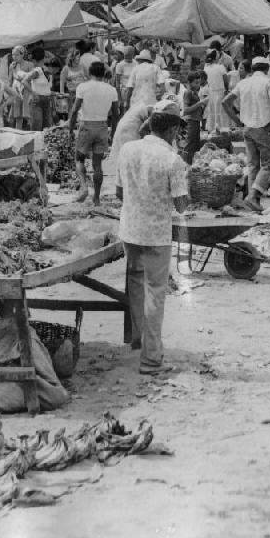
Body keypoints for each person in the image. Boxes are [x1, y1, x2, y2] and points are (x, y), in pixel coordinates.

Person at [116, 100, 190, 376]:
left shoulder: (128, 149)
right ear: (171, 130)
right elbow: (181, 206)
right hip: (156, 234)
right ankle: (150, 359)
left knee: (136, 287)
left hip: (130, 230)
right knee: (155, 294)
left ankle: (139, 341)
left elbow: (120, 193)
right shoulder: (173, 160)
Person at [223, 57, 270, 213]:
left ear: (253, 69)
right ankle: (253, 196)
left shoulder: (243, 83)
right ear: (267, 69)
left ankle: (252, 202)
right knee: (268, 165)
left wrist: (237, 120)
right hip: (263, 127)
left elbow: (225, 102)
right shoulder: (268, 82)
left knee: (253, 164)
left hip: (247, 128)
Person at [69, 61, 119, 206]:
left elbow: (74, 111)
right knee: (98, 165)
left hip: (86, 125)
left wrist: (70, 129)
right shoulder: (111, 90)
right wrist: (113, 132)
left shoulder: (83, 87)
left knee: (79, 159)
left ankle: (84, 187)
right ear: (104, 74)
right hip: (103, 127)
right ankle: (96, 198)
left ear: (89, 73)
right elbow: (116, 114)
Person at [181, 71, 207, 165]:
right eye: (196, 83)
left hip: (195, 121)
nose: (198, 85)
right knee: (189, 146)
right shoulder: (188, 93)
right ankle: (185, 166)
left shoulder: (194, 93)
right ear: (189, 82)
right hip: (190, 122)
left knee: (195, 145)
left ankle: (191, 166)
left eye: (199, 83)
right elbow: (186, 110)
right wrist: (200, 103)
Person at [202, 49, 230, 133]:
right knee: (220, 111)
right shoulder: (221, 67)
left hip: (210, 91)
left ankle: (211, 129)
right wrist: (227, 89)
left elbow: (205, 80)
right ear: (216, 58)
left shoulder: (206, 67)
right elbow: (225, 79)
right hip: (220, 92)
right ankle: (221, 129)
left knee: (211, 111)